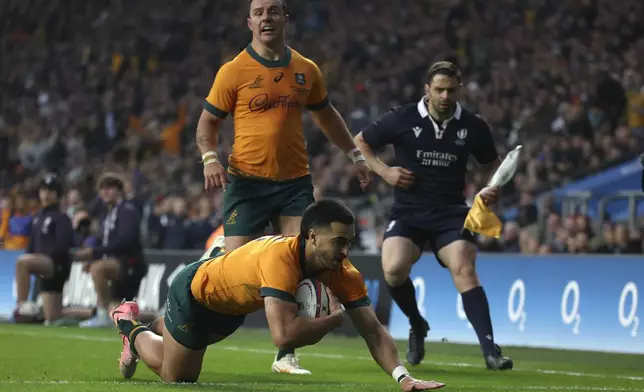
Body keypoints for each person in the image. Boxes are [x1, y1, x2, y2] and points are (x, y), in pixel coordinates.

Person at [195, 0, 371, 374]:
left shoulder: (305, 70)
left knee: (304, 261)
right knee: (238, 279)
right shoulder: (234, 71)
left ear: (286, 20)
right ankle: (216, 260)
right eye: (258, 12)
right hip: (246, 185)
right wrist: (210, 158)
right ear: (249, 22)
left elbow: (327, 115)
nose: (266, 18)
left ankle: (285, 353)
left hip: (294, 185)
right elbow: (207, 123)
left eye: (273, 11)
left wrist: (354, 154)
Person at [109, 200, 445, 390]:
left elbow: (373, 330)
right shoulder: (280, 259)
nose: (346, 251)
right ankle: (129, 325)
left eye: (350, 242)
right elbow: (282, 335)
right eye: (339, 242)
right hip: (195, 294)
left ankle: (158, 327)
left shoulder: (343, 272)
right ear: (312, 237)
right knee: (178, 376)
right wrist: (334, 320)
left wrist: (403, 377)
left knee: (184, 348)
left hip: (232, 306)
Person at [354, 61, 513, 370]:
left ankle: (491, 350)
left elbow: (494, 166)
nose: (444, 96)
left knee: (464, 267)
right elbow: (359, 141)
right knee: (393, 268)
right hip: (408, 211)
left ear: (459, 90)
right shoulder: (402, 117)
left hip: (451, 213)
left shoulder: (473, 125)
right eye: (439, 89)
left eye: (451, 90)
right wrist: (385, 172)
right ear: (427, 89)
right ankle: (417, 323)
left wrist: (492, 189)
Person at [73, 173, 148, 328]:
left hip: (129, 263)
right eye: (101, 189)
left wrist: (95, 254)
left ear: (119, 191)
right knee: (121, 318)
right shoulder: (109, 212)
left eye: (109, 188)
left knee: (98, 268)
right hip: (119, 263)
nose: (104, 192)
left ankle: (102, 315)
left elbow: (126, 241)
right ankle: (152, 317)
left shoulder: (127, 210)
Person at [13, 173, 74, 324]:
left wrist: (38, 259)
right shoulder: (37, 218)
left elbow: (62, 246)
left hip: (56, 265)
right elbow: (31, 245)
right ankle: (73, 319)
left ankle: (21, 305)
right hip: (43, 268)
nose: (46, 194)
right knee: (51, 319)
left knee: (22, 262)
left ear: (57, 195)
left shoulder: (62, 218)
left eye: (50, 191)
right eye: (43, 190)